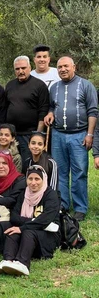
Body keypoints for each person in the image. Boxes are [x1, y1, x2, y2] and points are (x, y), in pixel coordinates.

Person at [44, 56, 98, 221]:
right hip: (59, 135)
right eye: (59, 67)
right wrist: (51, 113)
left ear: (74, 67)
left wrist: (89, 134)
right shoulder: (54, 87)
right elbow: (52, 106)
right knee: (60, 172)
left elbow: (93, 111)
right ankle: (63, 204)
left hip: (79, 135)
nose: (63, 69)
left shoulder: (86, 85)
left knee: (79, 172)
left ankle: (80, 207)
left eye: (66, 66)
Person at [0, 165, 60, 276]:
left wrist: (22, 227)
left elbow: (45, 220)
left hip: (48, 236)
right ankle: (7, 260)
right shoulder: (24, 194)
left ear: (44, 180)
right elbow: (14, 216)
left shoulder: (51, 195)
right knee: (12, 231)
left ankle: (22, 263)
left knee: (28, 232)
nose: (33, 183)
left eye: (37, 179)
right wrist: (31, 221)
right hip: (30, 234)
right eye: (30, 179)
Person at [5, 55, 49, 164]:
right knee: (11, 164)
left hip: (29, 135)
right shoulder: (10, 85)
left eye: (23, 68)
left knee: (27, 164)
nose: (21, 71)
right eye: (17, 69)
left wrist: (38, 134)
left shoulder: (39, 85)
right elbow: (5, 108)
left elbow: (43, 110)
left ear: (30, 67)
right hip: (12, 135)